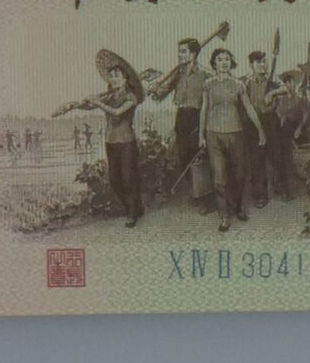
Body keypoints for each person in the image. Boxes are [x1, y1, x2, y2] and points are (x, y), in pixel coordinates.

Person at [199, 48, 266, 231]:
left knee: (239, 175)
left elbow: (249, 108)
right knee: (219, 177)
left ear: (231, 62)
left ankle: (238, 208)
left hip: (236, 134)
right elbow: (204, 109)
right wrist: (201, 136)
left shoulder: (239, 85)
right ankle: (224, 216)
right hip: (213, 135)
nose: (224, 62)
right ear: (214, 63)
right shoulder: (208, 84)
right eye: (220, 59)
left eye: (227, 59)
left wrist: (260, 130)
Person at [149, 38, 212, 214]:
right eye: (179, 51)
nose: (180, 55)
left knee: (198, 157)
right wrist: (155, 89)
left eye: (183, 51)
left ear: (193, 53)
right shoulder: (178, 74)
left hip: (198, 116)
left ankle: (205, 199)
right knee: (184, 156)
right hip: (181, 117)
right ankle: (195, 191)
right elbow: (161, 94)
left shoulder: (205, 74)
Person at [94, 65, 144, 226]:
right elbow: (90, 105)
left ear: (125, 79)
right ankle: (133, 207)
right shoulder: (109, 97)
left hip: (127, 142)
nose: (113, 79)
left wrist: (97, 102)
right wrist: (75, 105)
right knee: (114, 180)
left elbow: (117, 112)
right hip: (111, 142)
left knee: (128, 179)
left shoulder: (131, 97)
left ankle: (132, 212)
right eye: (111, 76)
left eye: (117, 75)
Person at [242, 50, 293, 205]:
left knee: (277, 156)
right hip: (253, 122)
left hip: (271, 122)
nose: (263, 65)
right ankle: (260, 195)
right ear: (251, 65)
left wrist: (272, 93)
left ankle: (282, 189)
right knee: (256, 159)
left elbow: (286, 88)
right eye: (259, 62)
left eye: (264, 61)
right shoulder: (246, 82)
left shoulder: (272, 79)